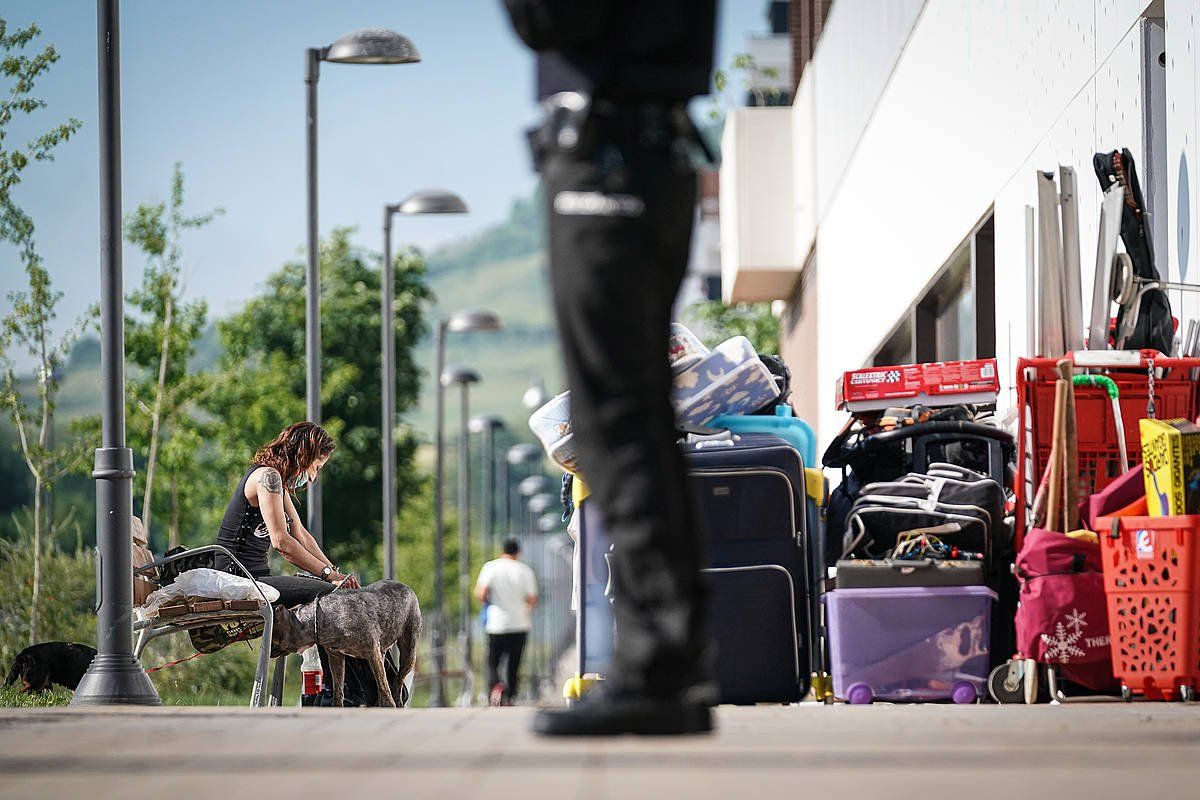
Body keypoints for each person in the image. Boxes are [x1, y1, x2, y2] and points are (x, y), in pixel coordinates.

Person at [501, 0, 718, 735]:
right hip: (647, 149)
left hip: (610, 153)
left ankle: (659, 668)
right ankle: (669, 664)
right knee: (636, 414)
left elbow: (549, 17)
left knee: (616, 418)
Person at [214, 421, 360, 607]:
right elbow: (281, 542)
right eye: (316, 468)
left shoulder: (278, 482)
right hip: (237, 578)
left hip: (257, 578)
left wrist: (335, 573)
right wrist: (328, 577)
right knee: (329, 594)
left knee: (331, 587)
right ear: (303, 456)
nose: (313, 477)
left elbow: (300, 533)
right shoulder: (268, 477)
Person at [474, 538, 539, 705]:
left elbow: (480, 593)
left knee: (493, 662)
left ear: (502, 550)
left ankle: (496, 688)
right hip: (520, 623)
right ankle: (510, 696)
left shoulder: (491, 567)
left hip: (496, 624)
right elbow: (532, 599)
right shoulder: (525, 571)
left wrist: (491, 600)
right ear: (518, 552)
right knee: (514, 664)